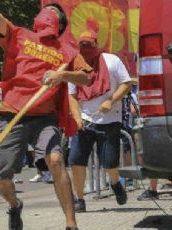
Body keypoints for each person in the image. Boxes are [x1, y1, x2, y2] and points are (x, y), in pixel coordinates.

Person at [0, 1, 92, 229]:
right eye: (45, 9)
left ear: (59, 24)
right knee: (2, 179)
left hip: (45, 119)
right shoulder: (18, 35)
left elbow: (86, 77)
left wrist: (62, 76)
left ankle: (71, 224)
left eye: (54, 11)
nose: (48, 11)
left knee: (56, 160)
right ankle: (14, 204)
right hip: (12, 115)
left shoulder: (67, 51)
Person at [68, 30, 132, 212]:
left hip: (109, 120)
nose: (85, 48)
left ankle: (115, 183)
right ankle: (79, 199)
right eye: (82, 45)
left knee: (110, 164)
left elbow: (126, 83)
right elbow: (71, 95)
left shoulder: (112, 61)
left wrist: (111, 101)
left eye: (89, 44)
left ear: (96, 44)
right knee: (76, 161)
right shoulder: (75, 65)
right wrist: (77, 117)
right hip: (85, 121)